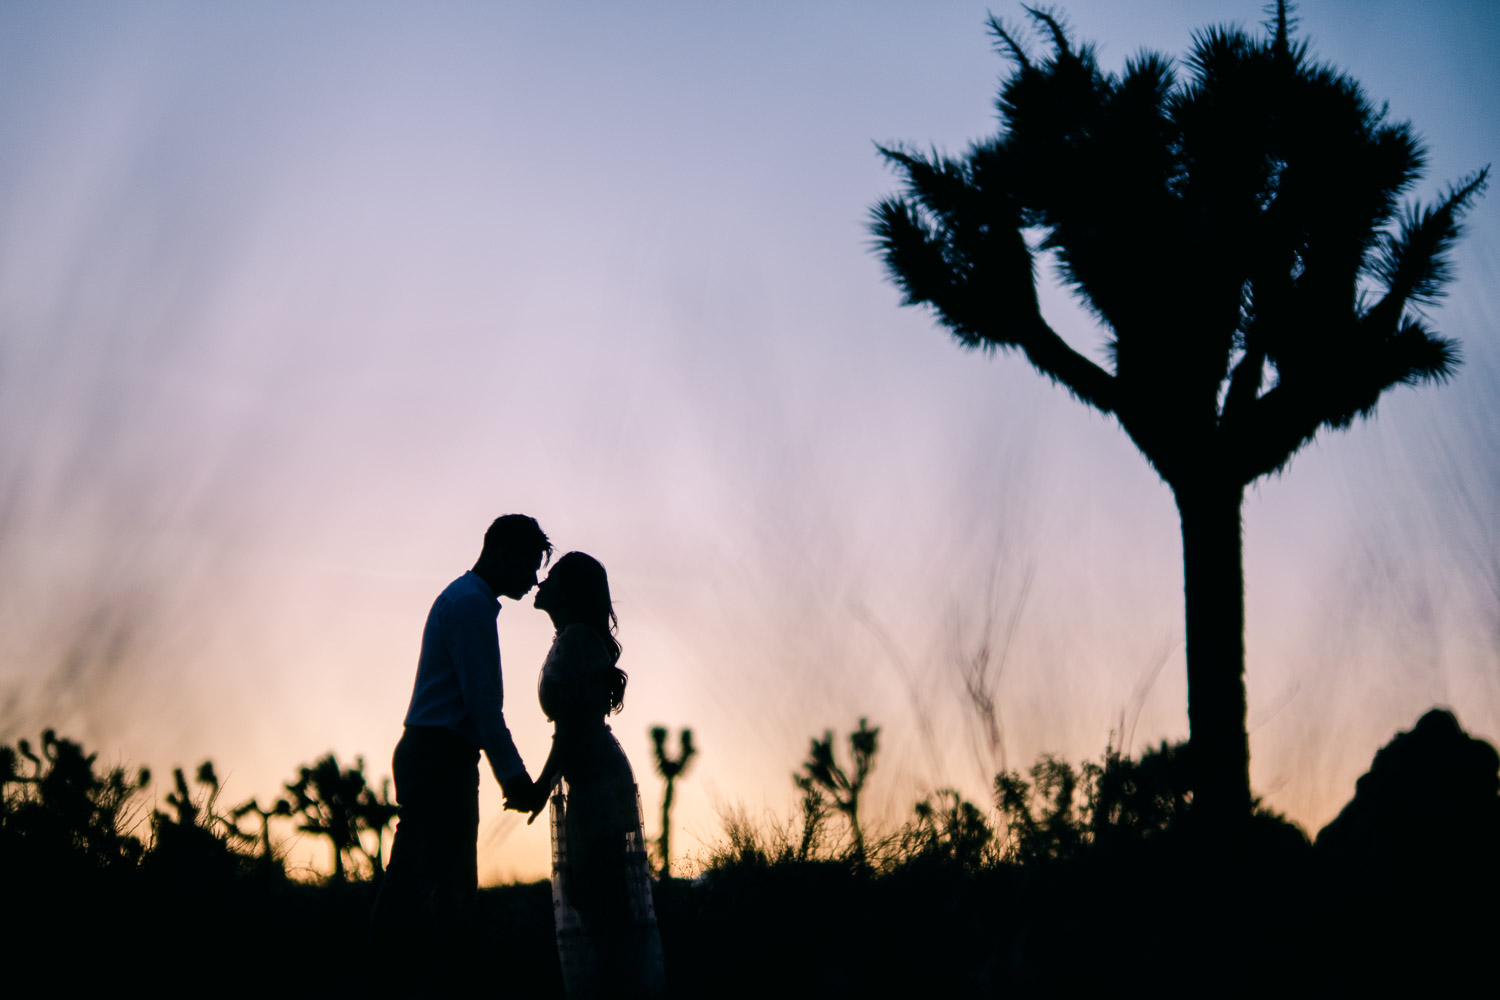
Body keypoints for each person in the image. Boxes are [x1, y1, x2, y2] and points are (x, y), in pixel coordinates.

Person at [371, 513, 551, 985]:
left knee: (437, 886)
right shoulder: (470, 605)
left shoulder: (466, 600)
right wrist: (514, 777)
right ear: (503, 553)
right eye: (528, 566)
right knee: (428, 887)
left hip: (438, 752)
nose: (533, 581)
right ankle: (391, 979)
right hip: (440, 756)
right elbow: (482, 704)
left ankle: (411, 979)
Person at [524, 551, 666, 999]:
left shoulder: (579, 640)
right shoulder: (572, 638)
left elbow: (572, 727)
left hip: (596, 785)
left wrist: (539, 786)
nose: (541, 582)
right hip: (589, 779)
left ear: (569, 592)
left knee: (600, 901)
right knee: (594, 898)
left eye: (552, 577)